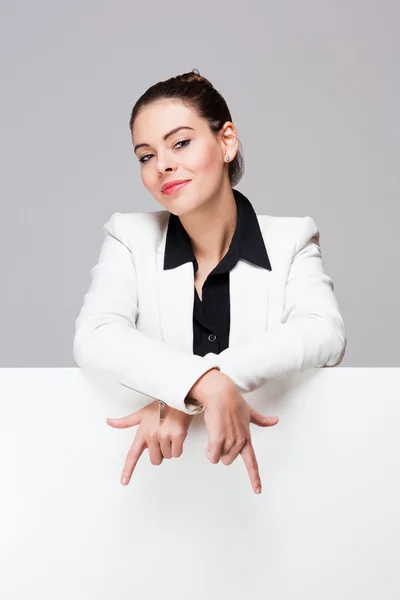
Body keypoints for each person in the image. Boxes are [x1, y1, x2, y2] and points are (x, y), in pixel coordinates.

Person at [73, 69, 347, 496]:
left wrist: (207, 383)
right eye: (145, 155)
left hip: (285, 488)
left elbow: (324, 332)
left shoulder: (291, 239)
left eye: (180, 142)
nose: (162, 164)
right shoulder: (128, 235)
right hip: (156, 493)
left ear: (226, 142)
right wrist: (202, 385)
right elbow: (95, 335)